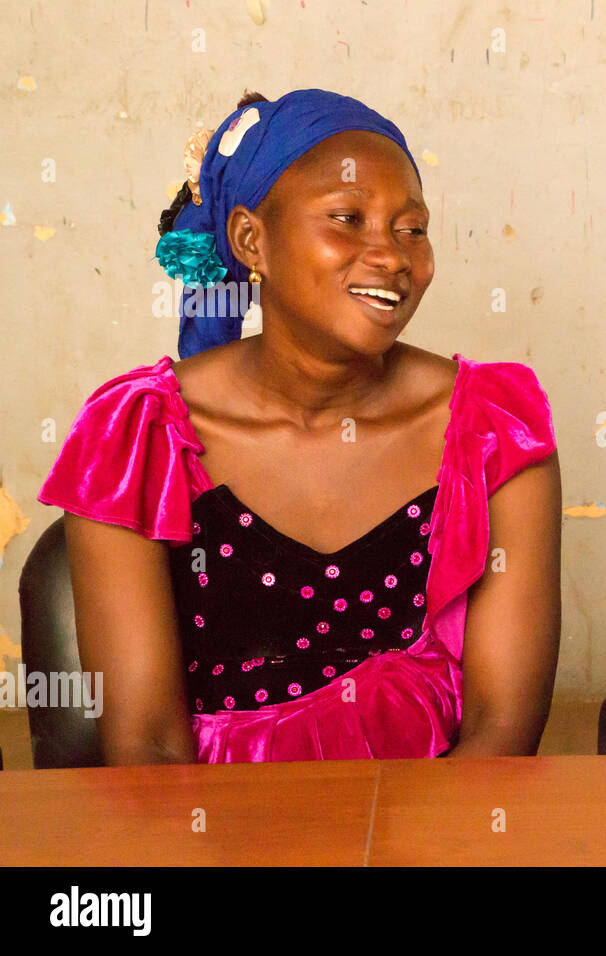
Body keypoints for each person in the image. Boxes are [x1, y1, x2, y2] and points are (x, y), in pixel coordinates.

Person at [38, 89, 562, 764]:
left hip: (436, 832)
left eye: (411, 228)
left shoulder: (494, 430)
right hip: (216, 842)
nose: (392, 257)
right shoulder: (136, 439)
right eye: (348, 218)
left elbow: (502, 730)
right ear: (252, 240)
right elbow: (147, 749)